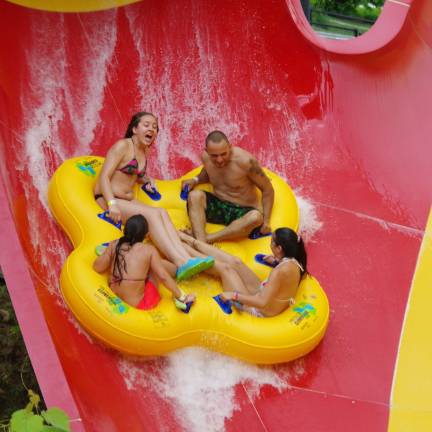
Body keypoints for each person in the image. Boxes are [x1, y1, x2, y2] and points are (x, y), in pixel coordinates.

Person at [94, 112, 214, 281]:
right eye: (147, 125)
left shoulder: (145, 150)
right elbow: (104, 176)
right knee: (150, 215)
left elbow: (133, 173)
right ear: (134, 128)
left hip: (127, 200)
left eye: (155, 127)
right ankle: (180, 262)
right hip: (108, 198)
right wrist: (111, 204)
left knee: (161, 212)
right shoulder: (122, 146)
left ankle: (188, 259)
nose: (152, 129)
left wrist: (146, 179)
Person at [177, 228, 306, 317]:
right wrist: (276, 259)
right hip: (263, 293)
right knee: (236, 262)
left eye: (272, 241)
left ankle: (184, 249)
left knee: (226, 269)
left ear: (279, 248)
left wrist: (233, 296)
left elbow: (262, 302)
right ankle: (191, 241)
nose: (270, 243)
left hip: (258, 310)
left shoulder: (280, 271)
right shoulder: (295, 261)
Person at [181, 130, 274, 243]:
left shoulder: (246, 162)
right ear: (207, 151)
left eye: (223, 154)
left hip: (243, 211)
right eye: (214, 156)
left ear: (230, 147)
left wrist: (267, 222)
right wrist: (196, 180)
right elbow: (208, 172)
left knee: (255, 217)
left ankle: (206, 240)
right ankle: (201, 241)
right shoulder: (206, 158)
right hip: (219, 206)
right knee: (194, 196)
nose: (219, 160)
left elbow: (268, 189)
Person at [93, 215, 195, 311]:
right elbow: (163, 276)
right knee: (154, 268)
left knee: (148, 265)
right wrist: (181, 296)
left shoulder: (115, 244)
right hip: (138, 305)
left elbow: (98, 267)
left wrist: (108, 254)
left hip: (113, 295)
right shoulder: (149, 250)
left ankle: (175, 268)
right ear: (146, 236)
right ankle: (177, 269)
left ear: (125, 230)